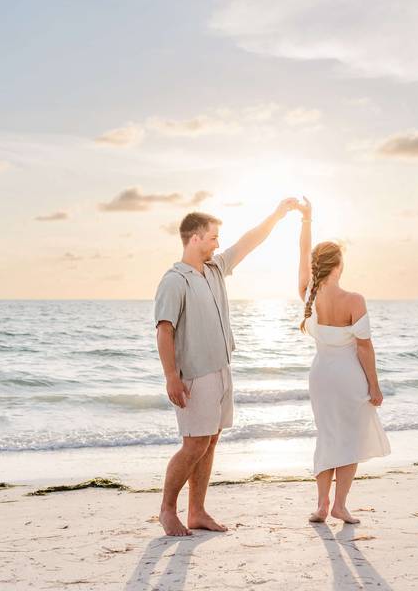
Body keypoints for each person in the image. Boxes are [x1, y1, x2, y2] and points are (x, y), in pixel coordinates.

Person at [154, 199, 298, 536]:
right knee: (194, 444)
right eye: (213, 237)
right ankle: (166, 510)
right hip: (194, 374)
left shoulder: (216, 269)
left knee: (211, 441)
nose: (218, 243)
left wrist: (277, 214)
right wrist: (171, 377)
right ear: (195, 239)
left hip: (221, 368)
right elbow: (164, 330)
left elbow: (248, 242)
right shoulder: (175, 280)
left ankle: (197, 511)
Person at [296, 197, 390, 524]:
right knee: (349, 439)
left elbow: (301, 255)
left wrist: (306, 220)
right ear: (339, 265)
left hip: (321, 375)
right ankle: (340, 505)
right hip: (349, 377)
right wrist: (375, 387)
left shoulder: (308, 293)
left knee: (327, 436)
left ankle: (321, 506)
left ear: (316, 266)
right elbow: (364, 348)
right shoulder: (354, 300)